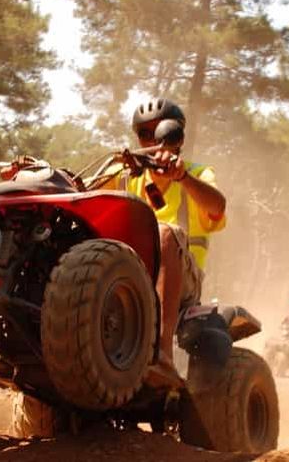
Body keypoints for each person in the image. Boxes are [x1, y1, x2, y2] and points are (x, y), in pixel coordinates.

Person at [117, 98, 227, 379]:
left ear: (176, 137)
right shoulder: (124, 175)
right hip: (127, 273)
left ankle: (162, 356)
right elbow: (78, 190)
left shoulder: (199, 174)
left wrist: (183, 177)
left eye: (161, 132)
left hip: (186, 283)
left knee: (165, 232)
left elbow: (217, 207)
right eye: (144, 133)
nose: (153, 139)